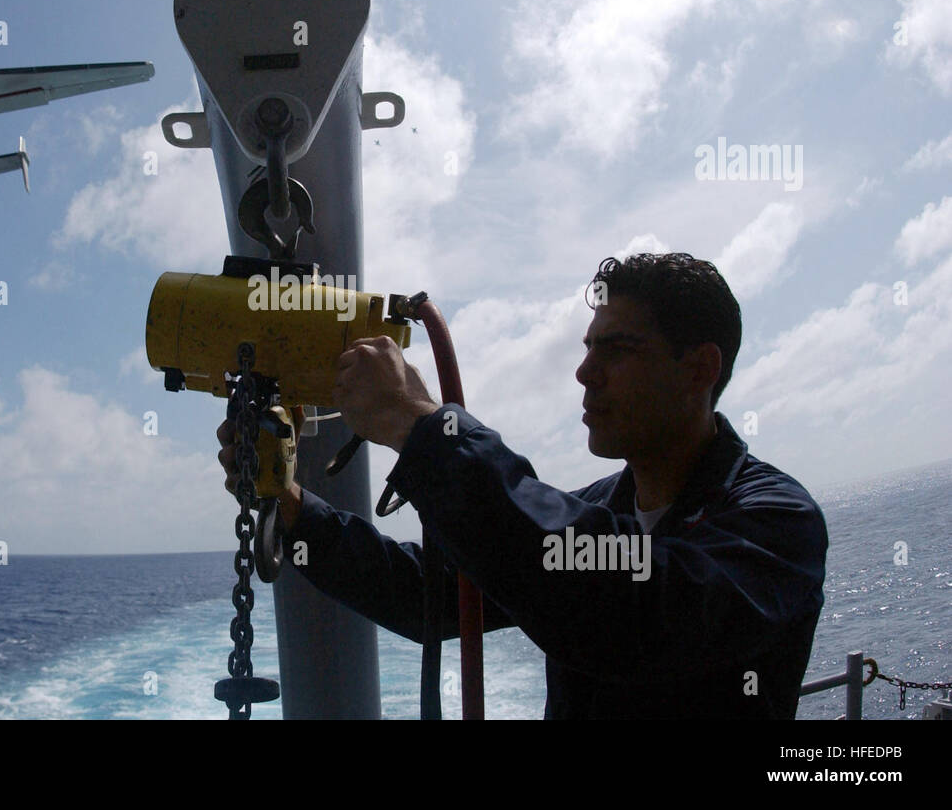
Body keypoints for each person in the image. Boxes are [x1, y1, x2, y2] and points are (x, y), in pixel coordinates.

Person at [217, 253, 828, 718]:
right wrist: (293, 508)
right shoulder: (595, 509)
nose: (584, 372)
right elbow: (427, 597)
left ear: (700, 368)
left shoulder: (775, 523)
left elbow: (633, 613)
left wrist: (423, 425)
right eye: (589, 348)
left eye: (616, 350)